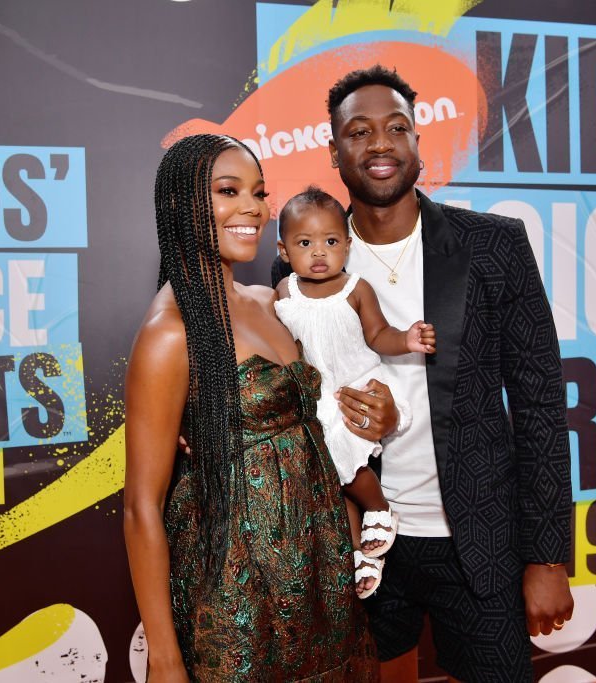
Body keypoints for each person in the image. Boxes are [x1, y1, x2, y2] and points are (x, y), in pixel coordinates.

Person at [273, 66, 574, 682]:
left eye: (396, 128)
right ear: (334, 151)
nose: (379, 143)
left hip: (479, 541)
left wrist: (547, 556)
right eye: (358, 131)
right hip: (359, 538)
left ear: (416, 142)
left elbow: (541, 404)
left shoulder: (494, 244)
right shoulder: (306, 262)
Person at [123, 134, 377, 682]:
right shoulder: (169, 335)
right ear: (179, 205)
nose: (252, 209)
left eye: (259, 193)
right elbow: (142, 507)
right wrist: (165, 662)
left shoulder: (273, 300)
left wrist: (379, 406)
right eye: (227, 191)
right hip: (233, 594)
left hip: (318, 571)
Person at [273, 185, 437, 598]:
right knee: (330, 479)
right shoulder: (283, 294)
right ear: (283, 250)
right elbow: (279, 349)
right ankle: (357, 553)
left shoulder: (355, 288)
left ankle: (380, 507)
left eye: (330, 242)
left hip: (355, 391)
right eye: (305, 243)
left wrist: (409, 339)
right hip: (315, 398)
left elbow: (379, 335)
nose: (319, 252)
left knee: (343, 453)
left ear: (347, 244)